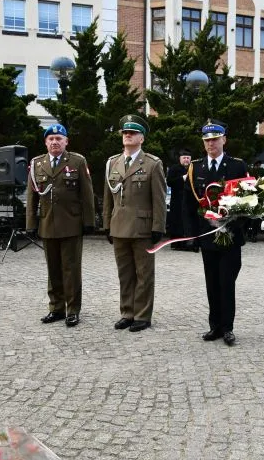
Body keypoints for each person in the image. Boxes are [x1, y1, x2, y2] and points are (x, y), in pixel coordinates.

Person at [182, 120, 249, 346]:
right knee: (212, 283)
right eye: (207, 140)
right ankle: (215, 326)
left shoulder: (237, 166)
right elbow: (188, 205)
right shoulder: (196, 167)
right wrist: (191, 235)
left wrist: (234, 224)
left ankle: (228, 328)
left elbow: (249, 201)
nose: (211, 144)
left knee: (227, 282)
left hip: (230, 235)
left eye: (215, 139)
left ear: (224, 140)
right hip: (207, 235)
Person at [26, 124, 95, 327]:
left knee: (71, 270)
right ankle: (56, 308)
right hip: (47, 224)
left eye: (59, 138)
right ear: (45, 142)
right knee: (53, 269)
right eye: (51, 139)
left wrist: (89, 222)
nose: (55, 142)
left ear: (66, 141)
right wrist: (31, 223)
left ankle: (72, 310)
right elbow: (31, 197)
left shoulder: (77, 161)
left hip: (71, 224)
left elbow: (87, 194)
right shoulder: (37, 164)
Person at [103, 115, 166, 332]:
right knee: (125, 274)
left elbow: (159, 199)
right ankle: (127, 313)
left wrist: (158, 227)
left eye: (133, 133)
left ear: (142, 138)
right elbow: (108, 197)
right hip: (119, 227)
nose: (128, 135)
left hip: (142, 228)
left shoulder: (152, 164)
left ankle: (142, 315)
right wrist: (107, 224)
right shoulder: (113, 163)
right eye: (125, 132)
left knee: (144, 274)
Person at [165, 148, 191, 249]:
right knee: (176, 221)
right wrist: (182, 178)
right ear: (180, 159)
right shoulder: (174, 168)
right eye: (184, 158)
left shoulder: (193, 168)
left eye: (188, 158)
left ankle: (189, 243)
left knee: (188, 221)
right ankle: (176, 244)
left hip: (189, 200)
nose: (186, 160)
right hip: (177, 200)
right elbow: (169, 182)